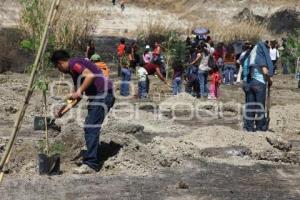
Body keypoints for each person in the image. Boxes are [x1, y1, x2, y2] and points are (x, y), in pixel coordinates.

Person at [50, 50, 115, 174]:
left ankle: (91, 164)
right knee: (90, 127)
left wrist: (78, 92)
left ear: (59, 63)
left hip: (103, 95)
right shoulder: (75, 73)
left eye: (56, 67)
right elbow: (77, 97)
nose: (59, 70)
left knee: (91, 127)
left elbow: (90, 76)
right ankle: (92, 160)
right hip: (100, 96)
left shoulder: (74, 63)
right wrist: (62, 111)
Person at [243, 41, 274, 132]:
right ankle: (260, 127)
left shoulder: (250, 57)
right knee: (260, 106)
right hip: (259, 83)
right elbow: (265, 71)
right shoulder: (260, 57)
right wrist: (269, 80)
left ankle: (249, 127)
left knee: (250, 106)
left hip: (250, 83)